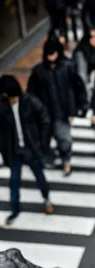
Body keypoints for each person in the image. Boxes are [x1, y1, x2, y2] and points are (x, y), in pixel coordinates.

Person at [27, 37, 87, 176]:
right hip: (44, 113)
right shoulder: (38, 71)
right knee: (46, 139)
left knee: (64, 138)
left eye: (53, 53)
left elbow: (78, 87)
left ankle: (66, 159)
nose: (51, 56)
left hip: (62, 112)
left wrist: (81, 105)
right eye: (48, 53)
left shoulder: (68, 67)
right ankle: (51, 157)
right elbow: (31, 94)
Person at [0, 75, 54, 226]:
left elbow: (45, 119)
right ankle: (15, 209)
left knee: (39, 176)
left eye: (12, 97)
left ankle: (46, 199)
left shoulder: (30, 102)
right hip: (15, 151)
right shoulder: (3, 107)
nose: (11, 100)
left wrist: (43, 143)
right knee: (14, 181)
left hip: (31, 148)